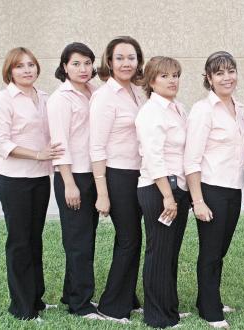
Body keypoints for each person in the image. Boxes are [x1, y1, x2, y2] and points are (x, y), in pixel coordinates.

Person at [0, 47, 64, 320]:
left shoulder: (43, 98)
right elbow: (1, 143)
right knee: (19, 241)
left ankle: (36, 299)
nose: (27, 70)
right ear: (10, 71)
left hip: (39, 179)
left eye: (31, 64)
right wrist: (37, 154)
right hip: (14, 180)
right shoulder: (3, 100)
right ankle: (22, 308)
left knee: (35, 239)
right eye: (20, 66)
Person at [184, 51, 244, 329]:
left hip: (232, 189)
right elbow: (191, 159)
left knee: (219, 251)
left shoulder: (240, 107)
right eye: (219, 73)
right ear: (209, 78)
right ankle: (211, 311)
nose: (227, 77)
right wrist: (197, 200)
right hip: (210, 190)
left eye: (231, 71)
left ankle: (207, 298)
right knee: (210, 251)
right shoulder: (203, 110)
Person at [89, 36, 146, 324]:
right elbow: (96, 147)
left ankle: (128, 297)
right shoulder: (104, 96)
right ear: (109, 62)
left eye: (132, 57)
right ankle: (111, 307)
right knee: (128, 239)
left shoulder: (138, 92)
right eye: (120, 57)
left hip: (140, 173)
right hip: (117, 174)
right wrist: (102, 192)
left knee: (134, 238)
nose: (126, 63)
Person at [47, 42, 101, 320]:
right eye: (76, 63)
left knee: (85, 238)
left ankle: (70, 294)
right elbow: (60, 144)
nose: (83, 69)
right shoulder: (61, 99)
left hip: (93, 174)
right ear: (65, 66)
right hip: (73, 176)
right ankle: (81, 305)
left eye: (88, 63)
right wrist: (68, 182)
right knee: (78, 242)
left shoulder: (94, 92)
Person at [135, 56, 190, 328]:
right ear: (151, 81)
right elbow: (153, 157)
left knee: (170, 253)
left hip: (177, 187)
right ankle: (157, 317)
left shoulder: (176, 108)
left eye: (176, 75)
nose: (172, 81)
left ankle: (170, 309)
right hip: (159, 190)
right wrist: (168, 196)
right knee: (158, 253)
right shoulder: (151, 112)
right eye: (165, 76)